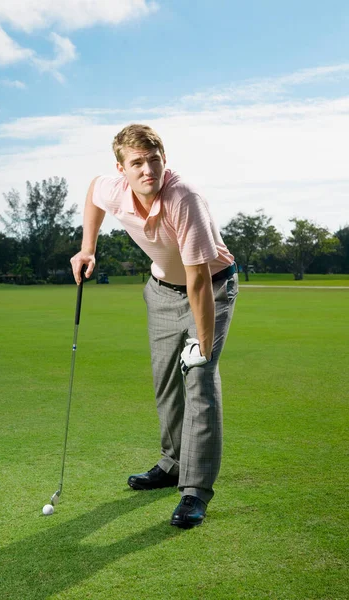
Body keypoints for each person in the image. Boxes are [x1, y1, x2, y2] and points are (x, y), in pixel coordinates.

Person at [70, 124, 238, 529]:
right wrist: (87, 247)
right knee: (165, 383)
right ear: (122, 169)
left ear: (165, 159)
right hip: (160, 291)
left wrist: (202, 342)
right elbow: (94, 190)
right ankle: (173, 464)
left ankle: (195, 489)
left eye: (155, 159)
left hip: (210, 289)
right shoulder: (113, 188)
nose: (148, 169)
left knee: (198, 379)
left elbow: (197, 279)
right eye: (137, 163)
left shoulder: (185, 200)